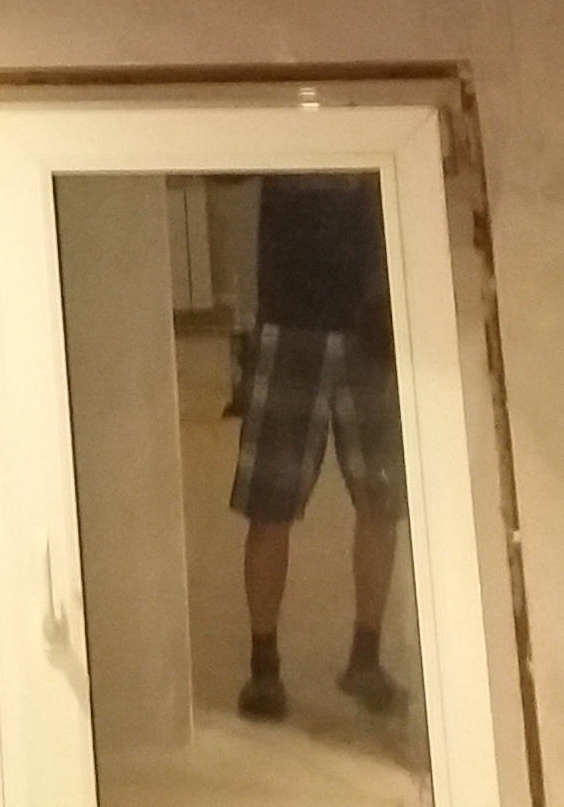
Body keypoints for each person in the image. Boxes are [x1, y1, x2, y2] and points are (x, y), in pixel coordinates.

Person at [229, 173, 406, 723]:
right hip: (290, 320)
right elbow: (223, 164)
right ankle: (264, 668)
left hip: (371, 325)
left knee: (382, 501)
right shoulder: (279, 128)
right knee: (270, 507)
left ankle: (365, 660)